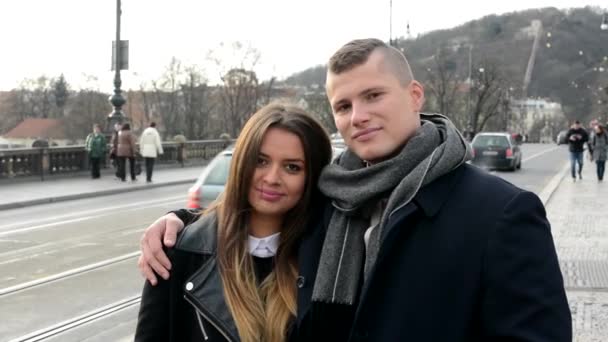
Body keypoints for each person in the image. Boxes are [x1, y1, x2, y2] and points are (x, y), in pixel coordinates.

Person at [138, 38, 571, 341]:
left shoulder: (501, 212)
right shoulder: (327, 199)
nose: (358, 116)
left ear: (414, 95)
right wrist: (178, 224)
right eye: (343, 106)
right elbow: (255, 226)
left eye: (373, 96)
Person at [135, 103, 332, 342]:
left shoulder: (328, 257)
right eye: (260, 161)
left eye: (292, 167)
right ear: (241, 163)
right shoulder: (179, 252)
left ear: (311, 177)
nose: (271, 178)